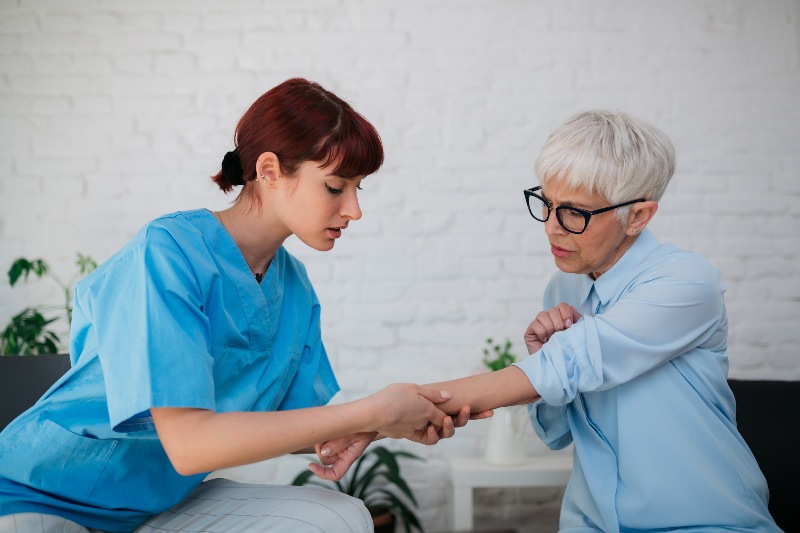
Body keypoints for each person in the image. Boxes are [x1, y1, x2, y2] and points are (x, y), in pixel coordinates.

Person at [0, 78, 472, 533]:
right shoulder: (167, 253)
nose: (354, 210)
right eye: (335, 187)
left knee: (339, 516)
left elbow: (290, 427)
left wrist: (392, 421)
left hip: (155, 504)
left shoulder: (296, 289)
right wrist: (370, 412)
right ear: (268, 171)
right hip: (43, 491)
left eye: (357, 189)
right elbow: (188, 446)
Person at [319, 110, 781, 531]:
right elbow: (556, 432)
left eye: (575, 212)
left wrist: (379, 421)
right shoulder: (565, 289)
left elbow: (570, 366)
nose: (552, 226)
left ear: (638, 215)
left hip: (705, 522)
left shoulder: (686, 283)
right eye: (547, 202)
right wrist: (542, 358)